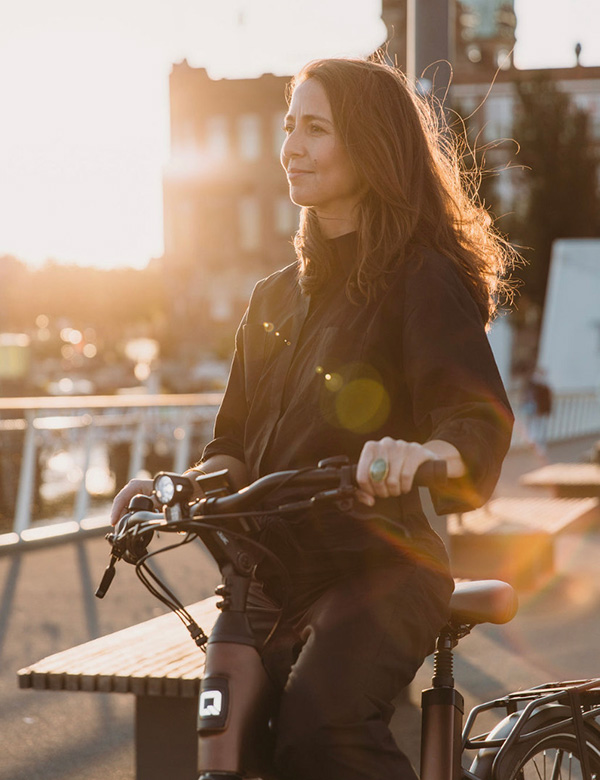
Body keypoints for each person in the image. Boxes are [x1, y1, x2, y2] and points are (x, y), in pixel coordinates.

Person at [111, 57, 515, 780]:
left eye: (315, 128)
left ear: (369, 145)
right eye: (289, 125)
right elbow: (232, 447)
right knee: (225, 744)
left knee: (321, 737)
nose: (291, 145)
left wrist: (419, 456)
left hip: (380, 565)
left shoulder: (420, 278)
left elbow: (474, 422)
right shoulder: (270, 299)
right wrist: (174, 486)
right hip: (265, 572)